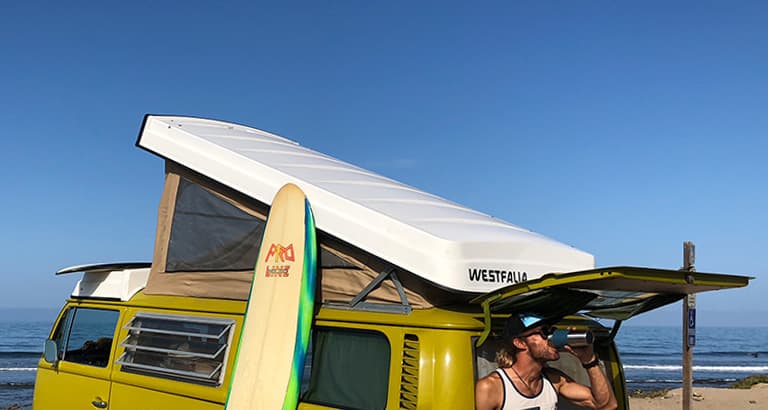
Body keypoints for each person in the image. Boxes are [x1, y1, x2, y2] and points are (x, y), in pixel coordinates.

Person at [475, 314, 618, 410]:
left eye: (552, 330)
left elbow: (607, 405)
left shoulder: (554, 380)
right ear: (520, 343)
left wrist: (589, 361)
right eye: (544, 332)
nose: (551, 337)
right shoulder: (492, 387)